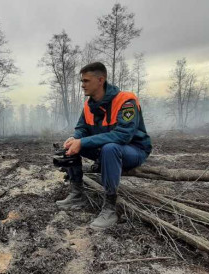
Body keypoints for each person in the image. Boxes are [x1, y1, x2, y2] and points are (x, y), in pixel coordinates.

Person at [57, 62, 152, 229]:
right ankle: (77, 194)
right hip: (106, 150)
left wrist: (83, 142)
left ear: (100, 80)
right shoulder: (89, 104)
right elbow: (82, 128)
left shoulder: (126, 101)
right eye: (82, 81)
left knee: (110, 148)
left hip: (133, 149)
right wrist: (75, 138)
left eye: (86, 81)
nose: (82, 85)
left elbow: (123, 135)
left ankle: (110, 208)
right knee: (72, 145)